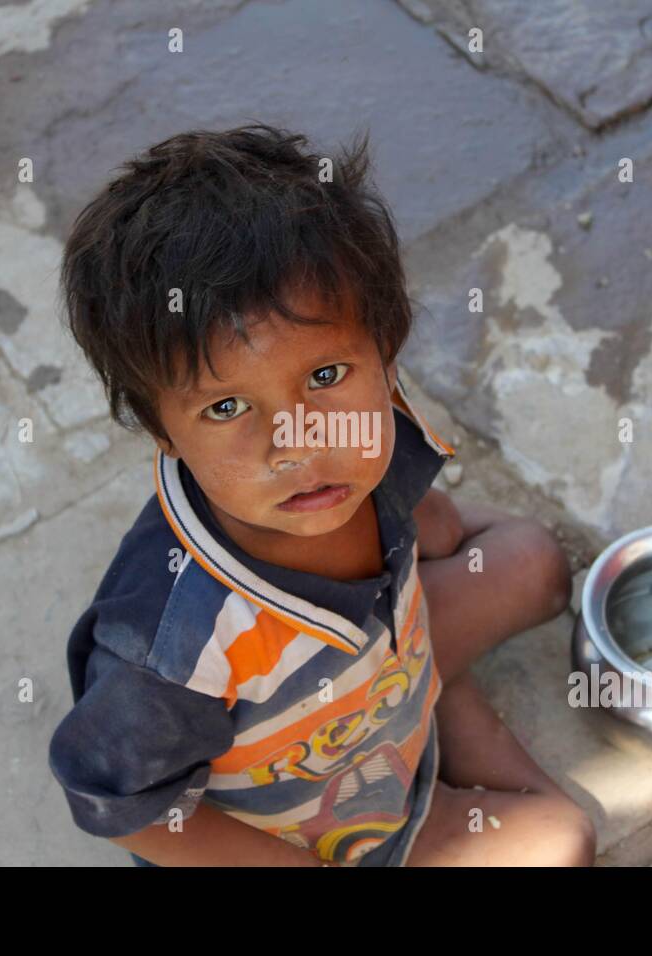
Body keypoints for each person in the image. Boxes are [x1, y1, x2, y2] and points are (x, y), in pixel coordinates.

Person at [47, 123, 595, 867]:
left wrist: (437, 554)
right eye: (227, 408)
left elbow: (430, 523)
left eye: (326, 378)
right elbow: (122, 804)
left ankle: (431, 680)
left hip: (386, 681)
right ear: (162, 431)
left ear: (384, 356)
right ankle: (437, 691)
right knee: (562, 838)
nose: (297, 443)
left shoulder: (376, 439)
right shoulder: (173, 648)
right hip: (318, 825)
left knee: (535, 563)